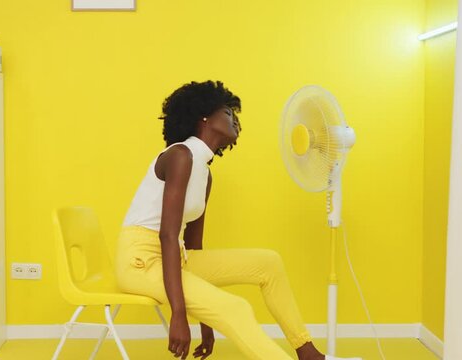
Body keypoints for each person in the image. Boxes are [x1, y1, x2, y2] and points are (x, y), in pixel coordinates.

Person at [115, 80, 360, 360]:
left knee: (268, 263)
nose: (235, 120)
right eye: (228, 112)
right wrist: (179, 316)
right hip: (140, 262)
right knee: (236, 308)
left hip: (176, 257)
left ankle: (308, 353)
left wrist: (206, 325)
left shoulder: (204, 174)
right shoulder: (180, 156)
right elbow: (168, 236)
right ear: (204, 116)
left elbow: (193, 244)